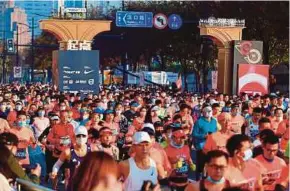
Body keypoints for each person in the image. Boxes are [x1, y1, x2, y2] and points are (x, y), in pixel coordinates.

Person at [51, 126, 91, 190]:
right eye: (78, 136)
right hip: (73, 186)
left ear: (87, 137)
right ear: (74, 137)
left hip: (88, 186)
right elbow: (57, 165)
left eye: (83, 136)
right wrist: (54, 172)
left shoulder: (92, 149)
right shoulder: (68, 152)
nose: (81, 138)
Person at [192, 104, 217, 180]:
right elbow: (194, 134)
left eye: (209, 111)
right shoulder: (198, 122)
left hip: (211, 146)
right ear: (202, 112)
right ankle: (198, 181)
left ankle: (207, 180)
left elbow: (216, 131)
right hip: (201, 146)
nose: (208, 113)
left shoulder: (214, 121)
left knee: (210, 164)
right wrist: (203, 136)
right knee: (200, 165)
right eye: (206, 111)